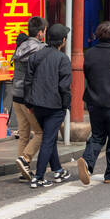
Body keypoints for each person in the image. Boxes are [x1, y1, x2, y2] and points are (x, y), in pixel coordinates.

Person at [76, 21, 110, 185]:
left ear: (98, 36)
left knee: (98, 136)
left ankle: (87, 162)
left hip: (94, 101)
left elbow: (87, 73)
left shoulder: (90, 53)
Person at [24, 23, 73, 188]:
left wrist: (29, 102)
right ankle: (38, 176)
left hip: (37, 105)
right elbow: (64, 87)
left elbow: (28, 82)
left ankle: (58, 170)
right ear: (63, 40)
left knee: (49, 137)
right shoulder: (63, 59)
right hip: (54, 105)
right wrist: (66, 106)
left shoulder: (36, 56)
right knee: (48, 139)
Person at [10, 16, 47, 180]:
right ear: (40, 33)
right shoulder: (41, 50)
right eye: (44, 31)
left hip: (16, 95)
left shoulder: (20, 47)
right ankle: (25, 159)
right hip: (28, 98)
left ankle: (22, 171)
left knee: (24, 134)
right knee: (40, 133)